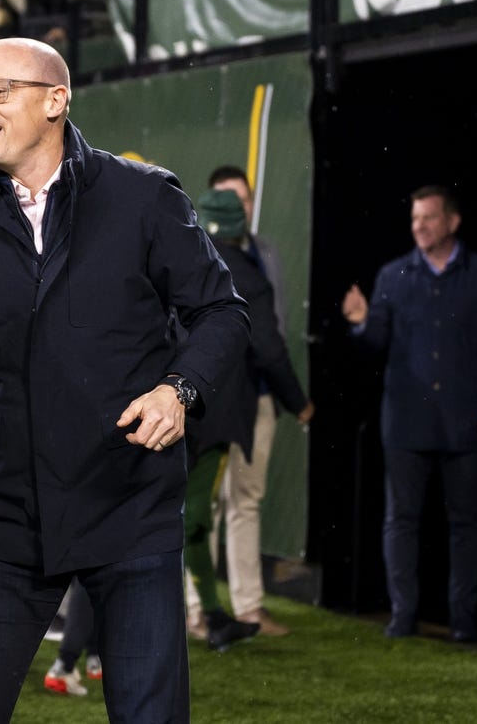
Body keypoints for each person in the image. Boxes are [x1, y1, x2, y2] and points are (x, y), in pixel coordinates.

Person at [0, 37, 250, 722]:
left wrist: (180, 389)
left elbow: (222, 311)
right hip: (7, 513)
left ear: (55, 100)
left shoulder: (143, 195)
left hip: (130, 502)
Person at [342, 185, 477, 642]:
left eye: (429, 218)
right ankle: (403, 615)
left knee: (466, 523)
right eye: (415, 219)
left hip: (465, 418)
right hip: (405, 421)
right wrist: (360, 321)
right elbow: (376, 339)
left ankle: (463, 621)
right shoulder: (393, 275)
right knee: (401, 520)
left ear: (452, 222)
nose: (419, 226)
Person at [185, 167, 315, 638]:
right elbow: (268, 344)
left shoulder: (182, 261)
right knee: (199, 513)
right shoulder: (239, 272)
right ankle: (208, 614)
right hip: (216, 410)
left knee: (202, 510)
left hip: (177, 402)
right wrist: (298, 401)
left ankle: (216, 611)